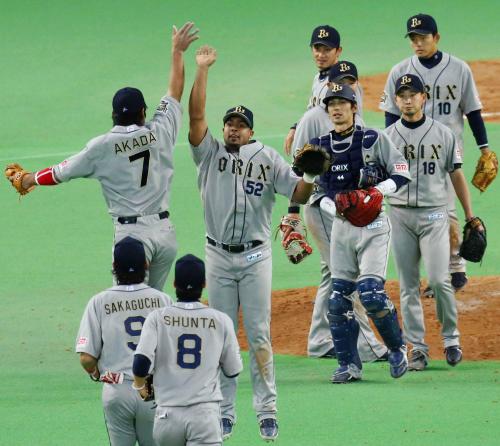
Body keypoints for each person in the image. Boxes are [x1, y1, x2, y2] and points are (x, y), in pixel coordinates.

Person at [5, 22, 199, 291]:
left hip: (132, 239)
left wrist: (28, 179)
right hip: (166, 235)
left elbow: (59, 173)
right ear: (144, 112)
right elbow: (174, 92)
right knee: (153, 306)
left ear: (113, 115)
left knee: (128, 306)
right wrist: (177, 52)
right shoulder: (161, 130)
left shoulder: (102, 147)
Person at [187, 45, 316, 441]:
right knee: (221, 335)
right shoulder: (208, 153)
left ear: (251, 130)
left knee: (259, 335)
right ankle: (223, 411)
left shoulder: (268, 157)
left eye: (240, 124)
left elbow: (298, 192)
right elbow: (194, 116)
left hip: (257, 256)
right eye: (229, 123)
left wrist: (309, 176)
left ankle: (267, 410)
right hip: (218, 256)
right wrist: (202, 69)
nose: (232, 129)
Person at [380, 13, 497, 294]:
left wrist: (484, 147)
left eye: (423, 37)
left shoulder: (458, 69)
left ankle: (453, 270)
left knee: (444, 209)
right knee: (417, 209)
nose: (418, 43)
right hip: (408, 151)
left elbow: (473, 111)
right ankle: (452, 270)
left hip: (446, 149)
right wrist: (389, 153)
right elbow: (390, 116)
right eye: (413, 38)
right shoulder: (400, 71)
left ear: (437, 37)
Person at [311, 83, 412, 383]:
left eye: (342, 103)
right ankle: (348, 365)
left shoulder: (372, 139)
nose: (337, 108)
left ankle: (397, 348)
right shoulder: (320, 146)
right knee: (338, 299)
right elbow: (317, 191)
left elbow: (401, 170)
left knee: (370, 293)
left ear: (354, 107)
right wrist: (338, 207)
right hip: (342, 228)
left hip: (374, 226)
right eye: (331, 104)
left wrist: (376, 194)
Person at [292, 61, 388, 362]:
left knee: (331, 272)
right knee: (347, 273)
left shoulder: (354, 116)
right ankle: (368, 346)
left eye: (349, 82)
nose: (343, 88)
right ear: (325, 87)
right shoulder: (312, 120)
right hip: (322, 207)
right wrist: (293, 212)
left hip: (348, 209)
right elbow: (298, 169)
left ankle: (320, 341)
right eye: (338, 83)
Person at [385, 74, 481, 369]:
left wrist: (468, 214)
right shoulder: (386, 138)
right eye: (402, 95)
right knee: (408, 285)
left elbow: (456, 175)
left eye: (413, 94)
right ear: (397, 100)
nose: (407, 99)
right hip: (399, 215)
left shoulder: (443, 134)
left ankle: (451, 339)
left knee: (440, 280)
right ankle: (418, 349)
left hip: (435, 214)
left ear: (423, 97)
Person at [132, 254, 243, 446]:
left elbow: (140, 363)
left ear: (175, 284)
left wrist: (141, 387)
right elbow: (233, 371)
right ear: (204, 284)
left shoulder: (157, 318)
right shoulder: (221, 320)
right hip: (204, 417)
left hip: (167, 416)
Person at [76, 237, 172, 445]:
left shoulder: (99, 302)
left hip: (116, 392)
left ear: (114, 267)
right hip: (153, 392)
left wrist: (97, 374)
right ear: (146, 266)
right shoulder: (163, 300)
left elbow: (86, 358)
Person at [283, 25, 343, 156]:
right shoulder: (318, 78)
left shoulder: (342, 80)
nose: (321, 55)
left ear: (338, 51)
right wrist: (295, 128)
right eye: (317, 49)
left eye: (327, 50)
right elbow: (311, 110)